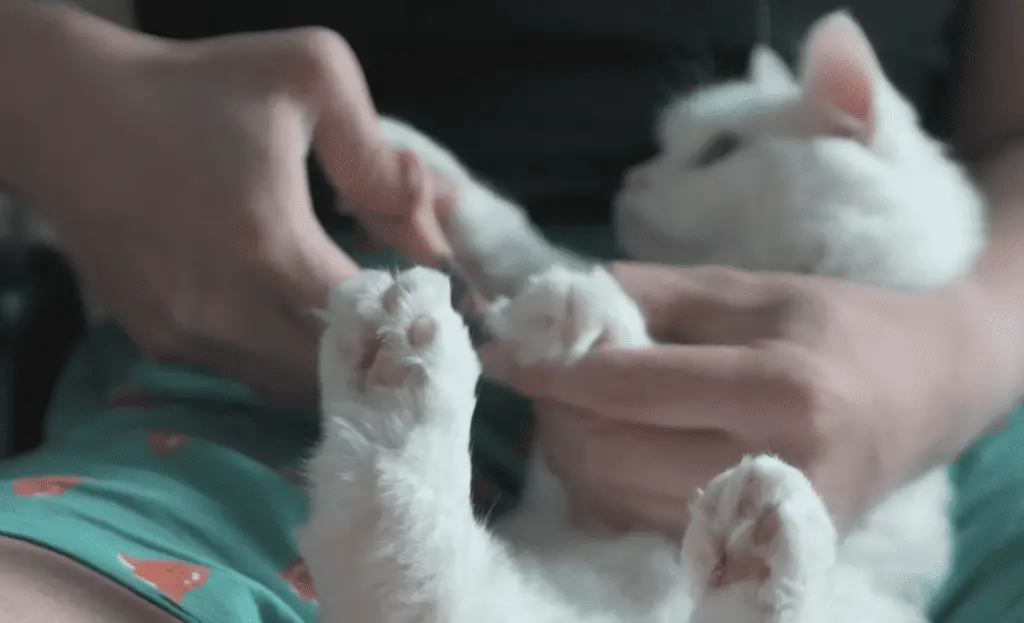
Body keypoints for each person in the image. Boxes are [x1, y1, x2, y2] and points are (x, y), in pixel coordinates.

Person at [0, 0, 1020, 622]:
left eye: (699, 154)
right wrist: (48, 96)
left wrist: (948, 351)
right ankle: (407, 511)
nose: (641, 181)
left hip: (975, 389)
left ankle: (404, 512)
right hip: (272, 322)